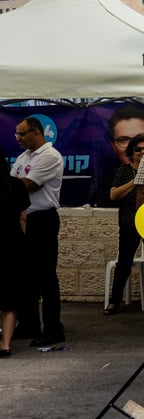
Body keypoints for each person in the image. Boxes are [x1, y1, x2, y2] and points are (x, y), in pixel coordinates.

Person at [11, 116, 65, 346]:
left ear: (36, 132)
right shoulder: (24, 157)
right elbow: (12, 184)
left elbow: (26, 185)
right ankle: (29, 323)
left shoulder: (50, 156)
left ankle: (53, 329)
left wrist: (9, 185)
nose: (18, 138)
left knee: (46, 277)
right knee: (25, 276)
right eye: (17, 133)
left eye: (22, 134)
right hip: (23, 219)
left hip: (42, 219)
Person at [104, 136, 144, 314]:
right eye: (138, 149)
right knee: (124, 263)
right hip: (129, 224)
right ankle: (115, 301)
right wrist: (135, 181)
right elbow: (114, 195)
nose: (142, 152)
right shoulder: (124, 171)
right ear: (131, 152)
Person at [0, 157, 30, 357]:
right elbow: (23, 217)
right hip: (11, 244)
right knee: (10, 298)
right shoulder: (17, 185)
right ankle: (6, 344)